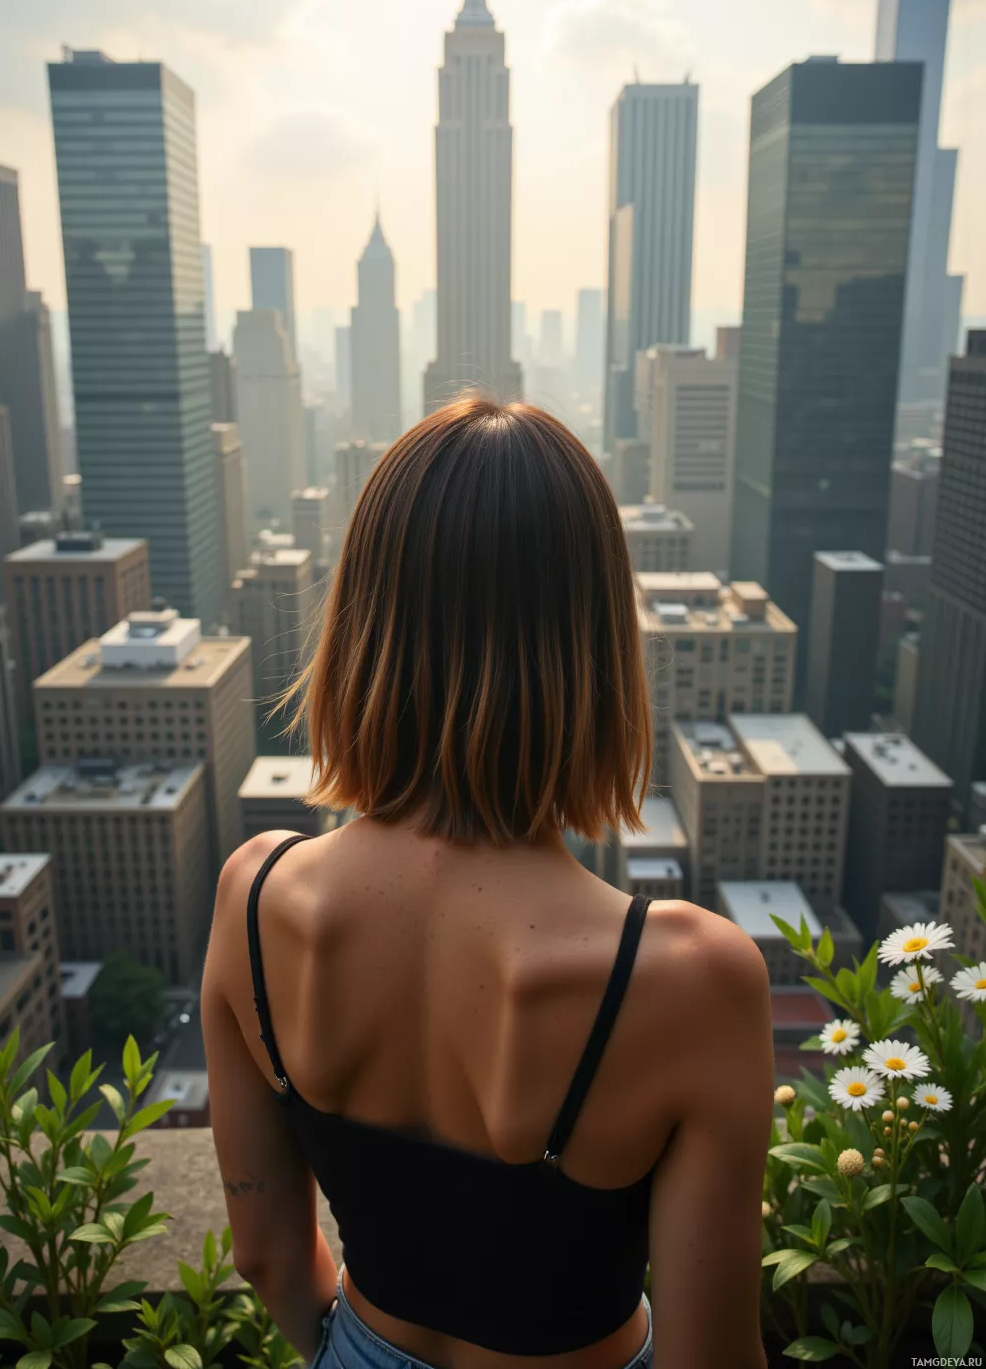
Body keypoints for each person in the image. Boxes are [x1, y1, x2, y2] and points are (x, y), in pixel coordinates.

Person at [202, 396, 773, 1369]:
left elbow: (265, 1255)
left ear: (362, 622)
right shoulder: (690, 976)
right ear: (591, 645)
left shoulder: (255, 900)